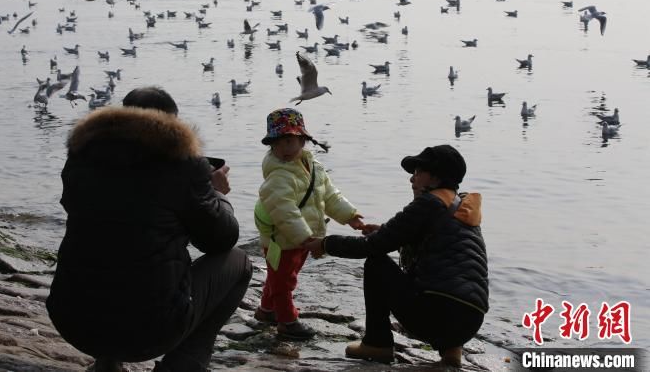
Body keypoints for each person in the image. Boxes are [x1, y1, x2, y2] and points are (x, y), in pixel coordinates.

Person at [47, 87, 252, 372]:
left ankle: (107, 364)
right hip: (150, 333)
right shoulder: (183, 166)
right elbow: (221, 240)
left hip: (73, 322)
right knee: (239, 261)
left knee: (110, 244)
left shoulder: (81, 159)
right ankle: (183, 365)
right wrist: (215, 193)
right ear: (172, 124)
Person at [305, 144, 488, 367]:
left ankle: (377, 343)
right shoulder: (461, 208)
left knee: (377, 264)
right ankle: (452, 350)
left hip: (435, 317)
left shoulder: (429, 203)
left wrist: (326, 244)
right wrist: (383, 230)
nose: (412, 179)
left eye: (418, 172)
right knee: (450, 283)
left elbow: (371, 247)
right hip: (470, 323)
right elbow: (433, 247)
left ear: (435, 178)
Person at [254, 108, 365, 340]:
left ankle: (267, 311)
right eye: (277, 143)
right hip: (282, 237)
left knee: (280, 275)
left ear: (303, 140)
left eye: (289, 141)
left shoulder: (313, 166)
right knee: (284, 280)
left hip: (303, 238)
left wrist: (350, 217)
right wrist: (306, 239)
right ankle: (287, 322)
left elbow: (330, 195)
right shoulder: (278, 176)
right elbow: (286, 214)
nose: (283, 148)